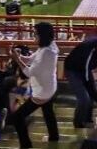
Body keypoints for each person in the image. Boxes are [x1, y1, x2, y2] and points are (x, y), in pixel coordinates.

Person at [10, 21, 60, 149]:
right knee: (48, 111)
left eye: (36, 34)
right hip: (49, 86)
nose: (34, 36)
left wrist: (17, 59)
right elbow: (31, 59)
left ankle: (26, 145)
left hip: (42, 91)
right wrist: (19, 56)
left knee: (17, 117)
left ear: (42, 36)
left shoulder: (45, 53)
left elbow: (28, 72)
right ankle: (54, 136)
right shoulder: (50, 46)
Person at [65, 35, 97, 127]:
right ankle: (78, 123)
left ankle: (87, 119)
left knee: (91, 95)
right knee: (84, 98)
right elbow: (86, 80)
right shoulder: (88, 50)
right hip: (73, 70)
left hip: (85, 69)